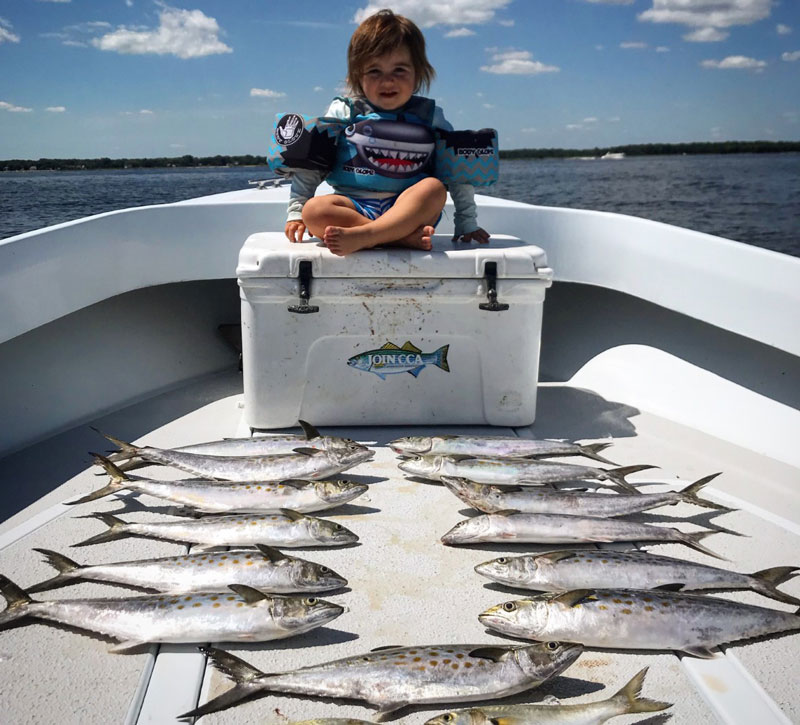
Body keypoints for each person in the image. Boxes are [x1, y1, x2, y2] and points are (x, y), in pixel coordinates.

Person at [283, 8, 491, 256]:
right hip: (353, 205)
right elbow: (313, 165)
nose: (388, 81)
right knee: (314, 211)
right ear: (358, 76)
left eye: (399, 70)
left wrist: (466, 222)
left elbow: (457, 172)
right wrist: (296, 212)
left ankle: (370, 235)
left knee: (434, 188)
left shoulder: (430, 116)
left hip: (407, 209)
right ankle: (398, 239)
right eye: (374, 71)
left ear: (419, 72)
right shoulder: (343, 110)